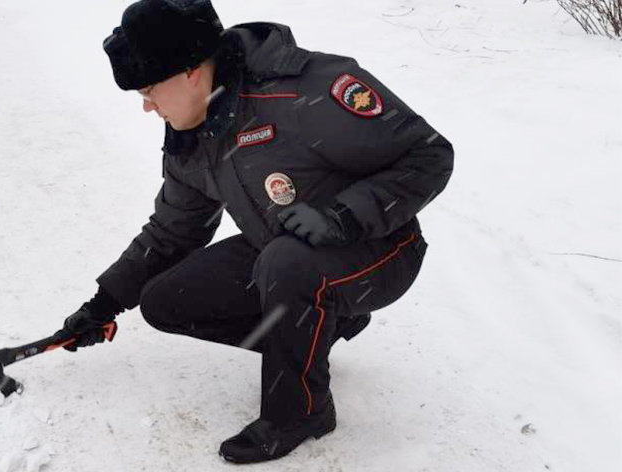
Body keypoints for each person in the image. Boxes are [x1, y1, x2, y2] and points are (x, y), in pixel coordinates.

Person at [55, 0, 453, 464]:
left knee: (288, 264)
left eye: (149, 90)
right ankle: (321, 328)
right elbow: (171, 231)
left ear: (189, 71)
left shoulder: (307, 90)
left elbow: (429, 156)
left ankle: (301, 411)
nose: (146, 107)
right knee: (166, 300)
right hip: (284, 252)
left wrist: (342, 217)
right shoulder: (193, 136)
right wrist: (104, 304)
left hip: (382, 247)